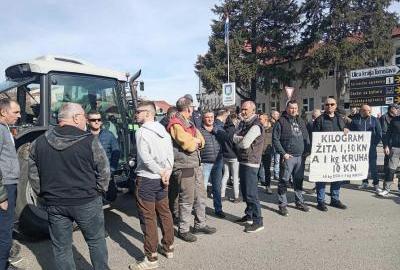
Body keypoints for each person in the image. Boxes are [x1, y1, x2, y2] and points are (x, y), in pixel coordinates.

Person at [28, 103, 110, 270]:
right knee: (96, 241)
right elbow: (104, 170)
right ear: (76, 118)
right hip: (86, 201)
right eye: (83, 116)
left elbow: (33, 175)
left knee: (61, 248)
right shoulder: (90, 140)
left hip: (55, 204)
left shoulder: (38, 142)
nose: (86, 121)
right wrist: (99, 191)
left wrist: (43, 195)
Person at [128, 101, 175, 270]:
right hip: (163, 178)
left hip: (147, 179)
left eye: (138, 111)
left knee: (148, 218)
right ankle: (168, 247)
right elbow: (170, 153)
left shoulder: (141, 132)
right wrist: (166, 171)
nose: (136, 114)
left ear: (148, 113)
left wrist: (162, 172)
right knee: (164, 212)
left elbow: (145, 158)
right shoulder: (163, 129)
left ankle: (151, 257)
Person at [167, 97, 216, 242]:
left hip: (196, 164)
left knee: (201, 196)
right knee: (187, 199)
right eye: (192, 107)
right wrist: (195, 141)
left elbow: (202, 142)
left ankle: (200, 224)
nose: (194, 109)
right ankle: (184, 229)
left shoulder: (189, 123)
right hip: (185, 166)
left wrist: (195, 141)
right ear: (188, 108)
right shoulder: (176, 123)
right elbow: (188, 145)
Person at [273, 100, 310, 216]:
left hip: (300, 157)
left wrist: (307, 150)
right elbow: (275, 139)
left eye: (295, 108)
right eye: (291, 108)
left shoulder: (301, 121)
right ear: (287, 109)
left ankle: (299, 201)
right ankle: (282, 204)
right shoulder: (281, 122)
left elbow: (306, 136)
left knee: (298, 181)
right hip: (288, 157)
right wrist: (283, 153)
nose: (293, 110)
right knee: (284, 181)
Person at [233, 101, 265, 233]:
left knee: (251, 193)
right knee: (245, 192)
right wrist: (238, 138)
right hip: (244, 160)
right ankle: (249, 215)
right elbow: (234, 136)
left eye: (246, 109)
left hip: (251, 162)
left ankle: (258, 221)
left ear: (253, 110)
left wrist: (238, 139)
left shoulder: (256, 125)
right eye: (242, 109)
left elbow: (244, 144)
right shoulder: (245, 123)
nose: (243, 111)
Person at [313, 98, 348, 211]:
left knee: (337, 177)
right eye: (327, 104)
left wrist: (346, 131)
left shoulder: (340, 119)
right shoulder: (319, 120)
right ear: (324, 106)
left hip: (337, 154)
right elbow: (315, 137)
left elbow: (344, 133)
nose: (329, 106)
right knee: (322, 177)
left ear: (335, 105)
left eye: (332, 104)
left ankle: (334, 199)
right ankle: (321, 201)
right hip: (323, 155)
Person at [0, 99, 21, 270]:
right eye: (16, 112)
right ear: (3, 112)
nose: (19, 116)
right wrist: (2, 196)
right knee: (5, 231)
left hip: (7, 184)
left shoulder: (5, 128)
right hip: (4, 187)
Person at [87, 110, 120, 202]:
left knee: (111, 196)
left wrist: (112, 169)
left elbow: (116, 152)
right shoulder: (83, 136)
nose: (97, 121)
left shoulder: (109, 135)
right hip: (90, 175)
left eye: (99, 119)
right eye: (93, 120)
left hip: (106, 173)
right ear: (88, 121)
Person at [349, 104, 382, 192]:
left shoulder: (374, 120)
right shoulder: (355, 120)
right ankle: (364, 182)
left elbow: (379, 134)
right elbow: (350, 132)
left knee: (373, 166)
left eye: (370, 110)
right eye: (367, 110)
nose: (369, 112)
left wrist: (374, 144)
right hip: (359, 148)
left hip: (371, 147)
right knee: (362, 165)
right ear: (362, 111)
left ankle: (376, 184)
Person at [199, 110, 225, 218]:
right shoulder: (199, 131)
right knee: (202, 189)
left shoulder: (218, 129)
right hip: (205, 163)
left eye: (211, 117)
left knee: (217, 187)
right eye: (207, 117)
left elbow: (225, 140)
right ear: (203, 119)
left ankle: (218, 209)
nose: (210, 119)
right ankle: (201, 211)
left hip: (218, 162)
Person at [219, 114, 240, 202]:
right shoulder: (234, 131)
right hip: (234, 156)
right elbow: (236, 145)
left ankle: (222, 195)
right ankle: (236, 197)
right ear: (234, 120)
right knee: (235, 177)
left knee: (225, 175)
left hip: (225, 155)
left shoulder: (223, 130)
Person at [380, 110, 400, 196]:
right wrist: (386, 146)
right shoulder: (394, 120)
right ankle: (387, 189)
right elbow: (388, 133)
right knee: (391, 169)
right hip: (395, 148)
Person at [258, 114, 274, 194]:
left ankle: (268, 186)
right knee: (257, 169)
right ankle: (255, 186)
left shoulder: (271, 129)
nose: (259, 120)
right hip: (258, 152)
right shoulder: (258, 128)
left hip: (267, 152)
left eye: (260, 119)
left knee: (267, 170)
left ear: (266, 120)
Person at [270, 110, 281, 180]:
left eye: (278, 114)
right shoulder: (270, 123)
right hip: (271, 144)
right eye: (276, 114)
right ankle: (276, 174)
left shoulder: (278, 122)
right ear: (273, 115)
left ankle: (276, 174)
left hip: (276, 145)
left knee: (276, 160)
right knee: (274, 160)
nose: (278, 115)